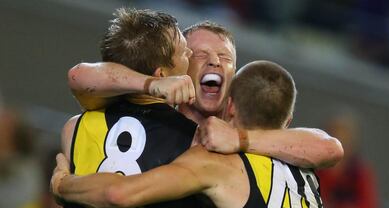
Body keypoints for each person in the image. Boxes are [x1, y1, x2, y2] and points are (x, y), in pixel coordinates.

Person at [52, 60, 325, 208]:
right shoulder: (306, 171)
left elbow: (119, 194)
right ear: (288, 120)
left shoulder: (218, 164)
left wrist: (63, 184)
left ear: (228, 106)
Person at [67, 21, 343, 168]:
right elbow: (81, 76)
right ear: (183, 64)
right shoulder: (147, 119)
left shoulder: (249, 138)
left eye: (225, 57)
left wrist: (238, 139)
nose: (215, 62)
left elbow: (329, 148)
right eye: (200, 54)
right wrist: (151, 83)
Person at [60, 8, 205, 208]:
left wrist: (61, 186)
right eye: (184, 52)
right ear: (161, 74)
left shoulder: (74, 128)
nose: (191, 54)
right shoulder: (195, 140)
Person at [317, 111, 378, 208]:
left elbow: (369, 207)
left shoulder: (360, 172)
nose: (340, 139)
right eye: (335, 133)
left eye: (345, 135)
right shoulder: (315, 168)